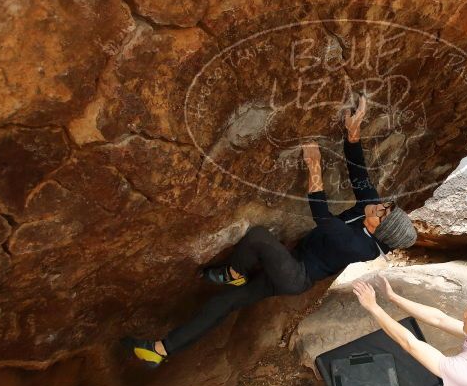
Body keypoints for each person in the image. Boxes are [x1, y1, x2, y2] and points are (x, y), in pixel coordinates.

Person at [125, 95, 417, 366]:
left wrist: (314, 166)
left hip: (295, 275)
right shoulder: (372, 210)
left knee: (258, 237)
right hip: (291, 260)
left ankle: (234, 273)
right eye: (387, 206)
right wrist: (353, 131)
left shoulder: (359, 246)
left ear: (378, 230)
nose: (380, 205)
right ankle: (160, 350)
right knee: (225, 301)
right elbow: (359, 173)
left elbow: (323, 217)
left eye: (383, 212)